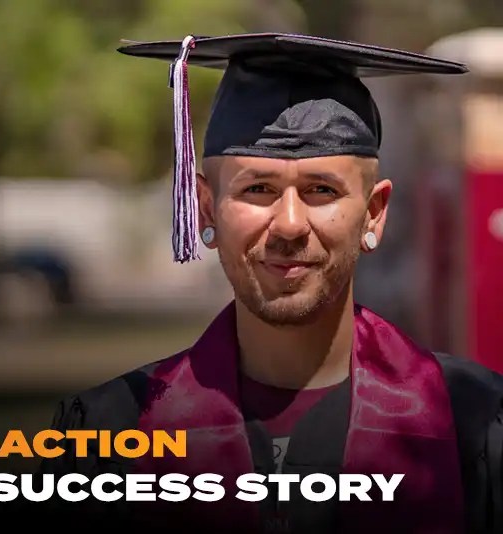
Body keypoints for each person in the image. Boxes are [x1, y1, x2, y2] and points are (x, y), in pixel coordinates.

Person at [38, 33, 503, 534]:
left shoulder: (471, 423)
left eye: (321, 190)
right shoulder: (108, 435)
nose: (288, 224)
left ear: (373, 214)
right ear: (207, 208)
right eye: (258, 188)